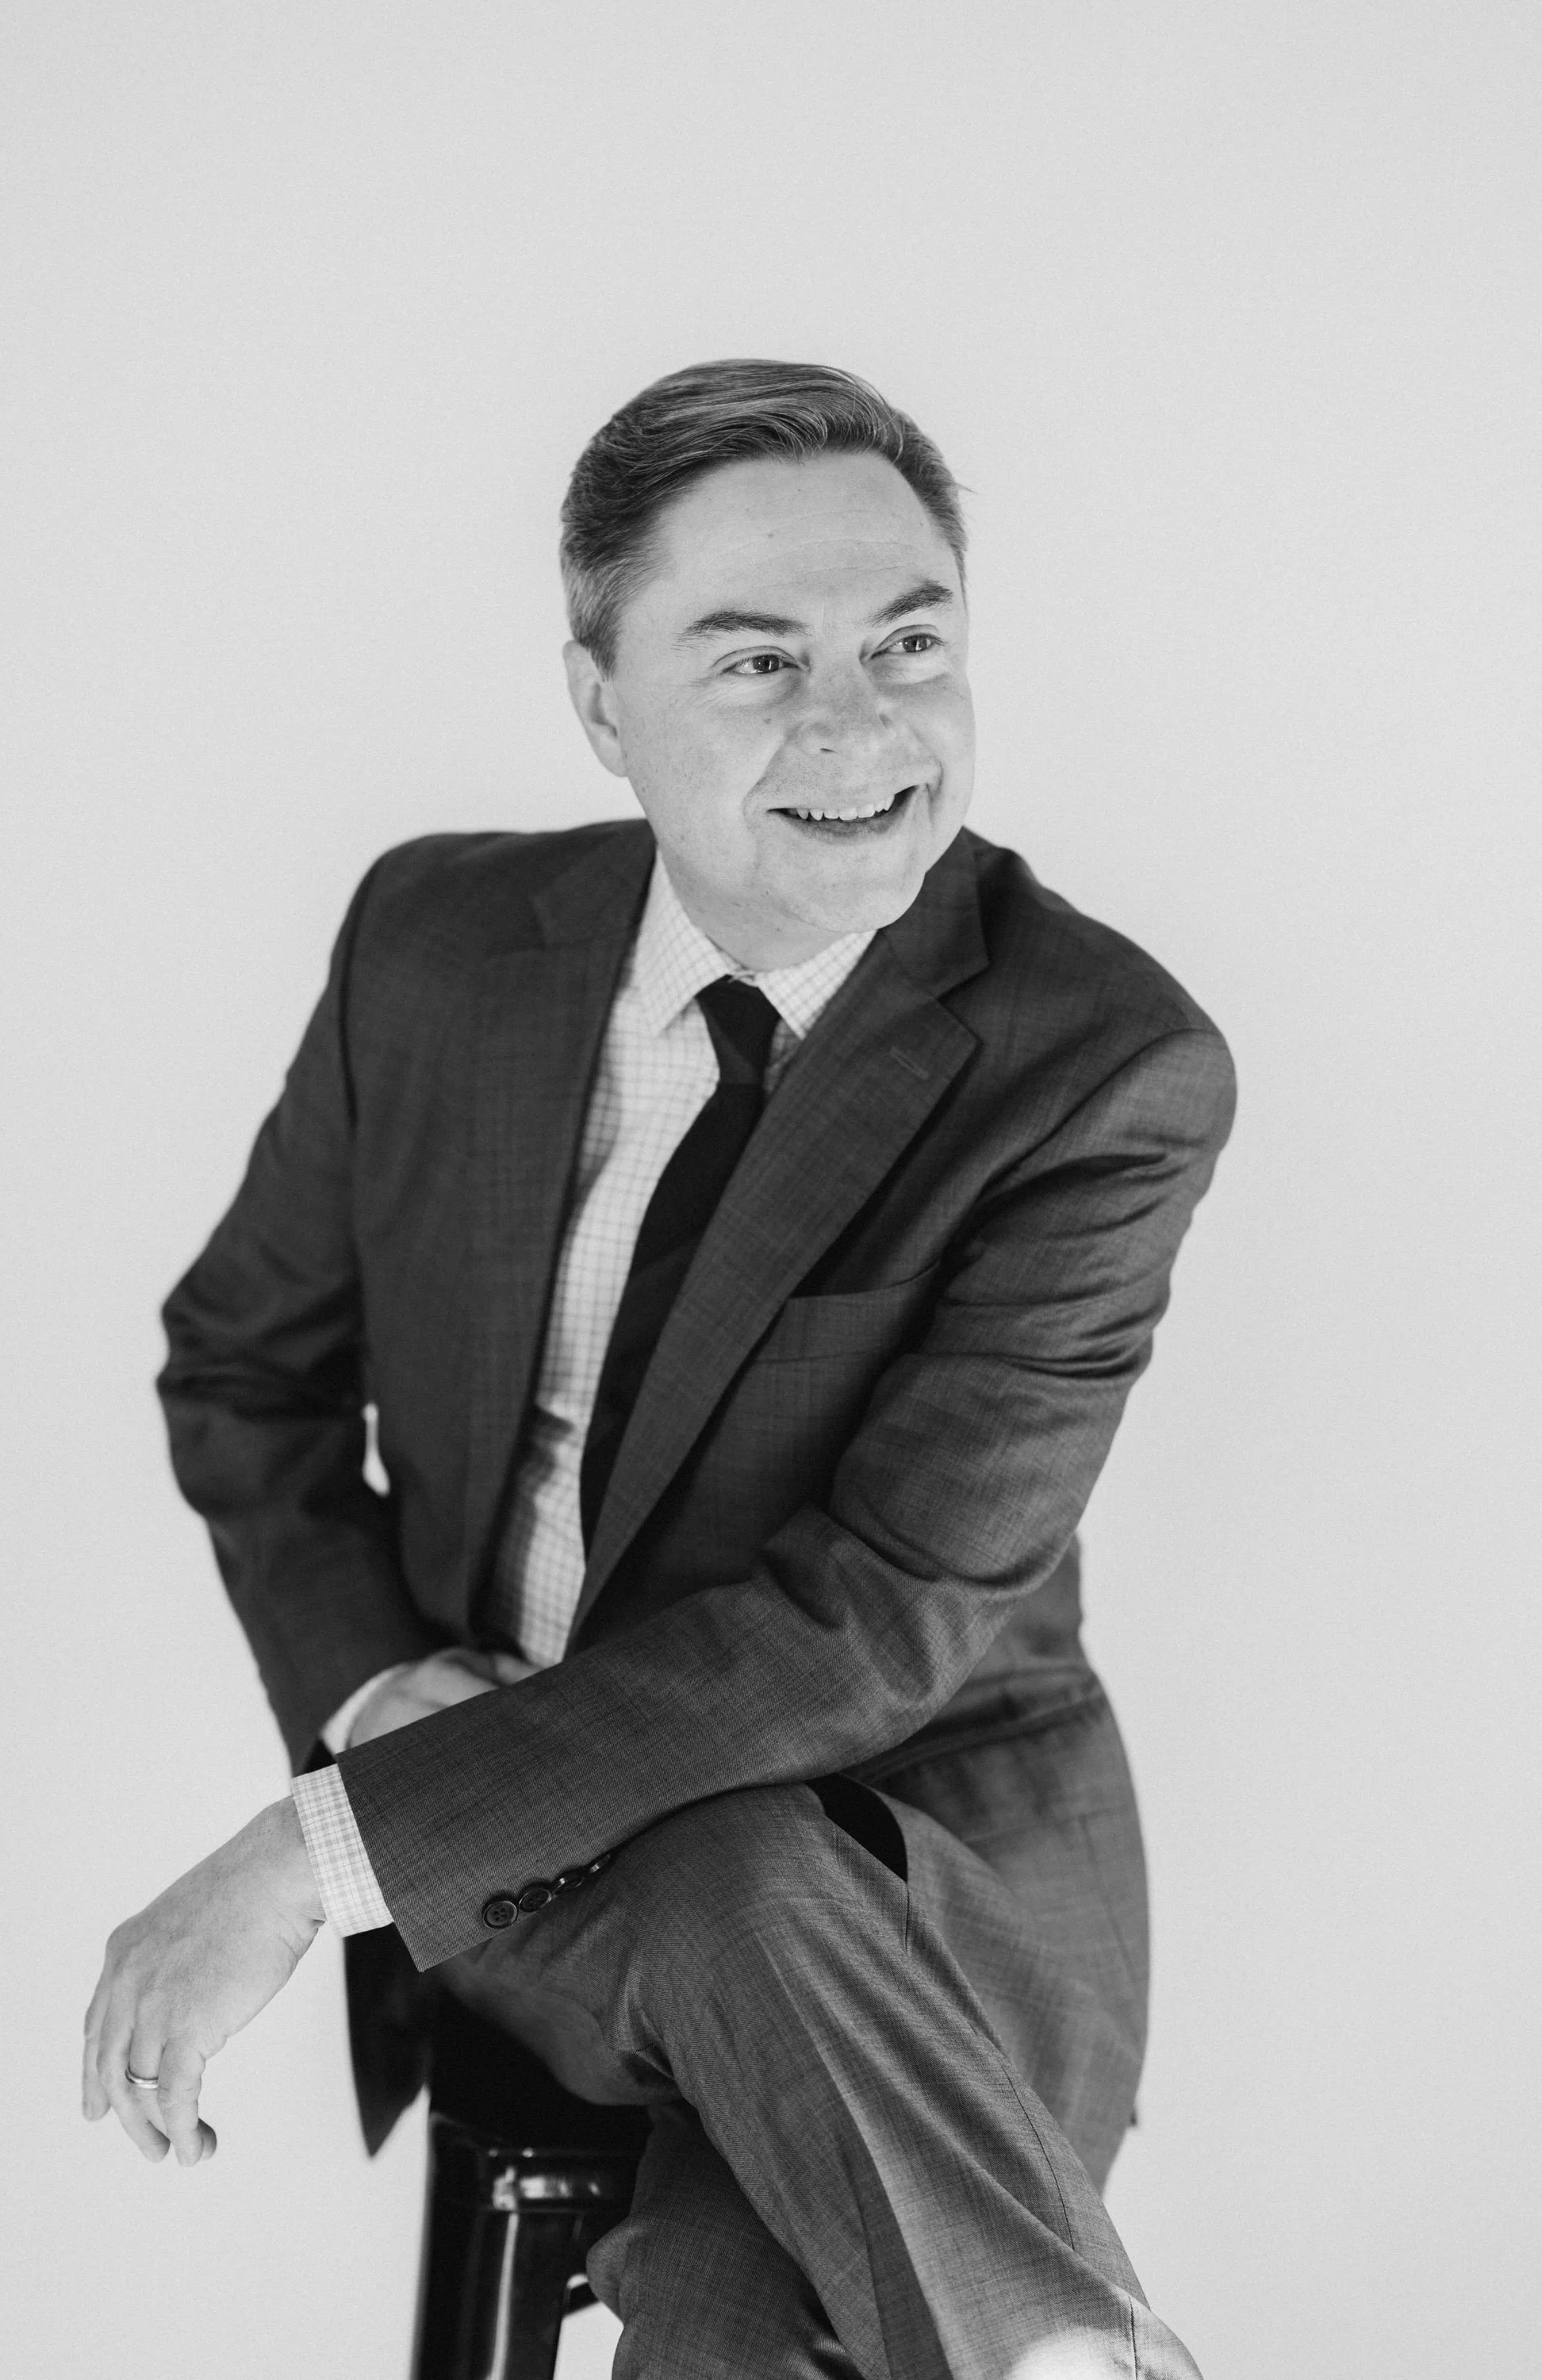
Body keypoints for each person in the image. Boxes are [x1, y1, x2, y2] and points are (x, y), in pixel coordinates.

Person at [82, 359, 1235, 2378]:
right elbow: (242, 1372)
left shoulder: (1096, 1065)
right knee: (710, 1863)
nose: (858, 725)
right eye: (756, 659)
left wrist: (309, 1854)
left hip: (928, 1900)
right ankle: (1060, 2350)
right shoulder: (436, 946)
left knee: (723, 2329)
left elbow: (870, 1636)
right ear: (600, 702)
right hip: (538, 1872)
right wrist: (372, 1707)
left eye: (907, 643)